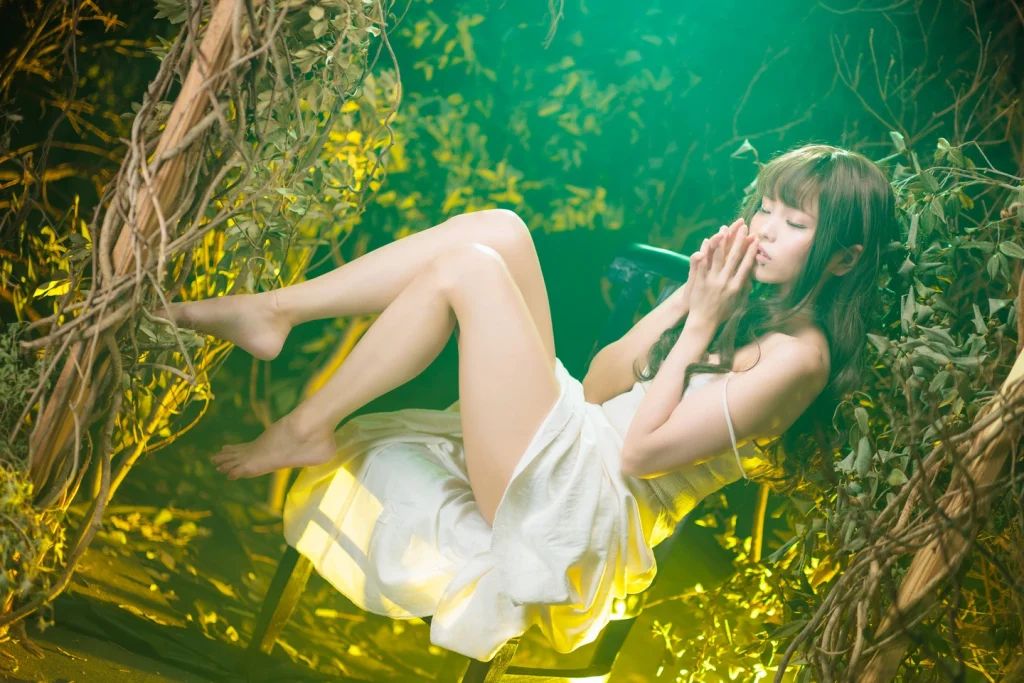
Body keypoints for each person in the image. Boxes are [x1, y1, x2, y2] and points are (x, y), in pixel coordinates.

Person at [155, 143, 898, 661]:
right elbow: (601, 384)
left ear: (844, 257)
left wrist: (701, 322)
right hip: (580, 437)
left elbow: (638, 454)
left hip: (588, 512)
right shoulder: (745, 304)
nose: (764, 230)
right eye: (765, 208)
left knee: (472, 272)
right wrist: (685, 304)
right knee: (499, 232)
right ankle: (276, 312)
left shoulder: (800, 358)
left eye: (793, 223)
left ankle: (303, 420)